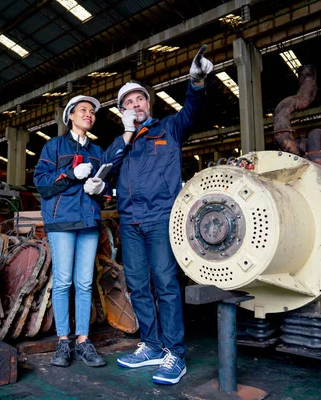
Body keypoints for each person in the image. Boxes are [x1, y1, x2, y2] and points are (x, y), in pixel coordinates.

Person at [105, 45, 213, 385]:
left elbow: (193, 112)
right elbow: (107, 172)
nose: (136, 105)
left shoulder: (169, 128)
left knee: (166, 284)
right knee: (137, 284)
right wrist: (125, 133)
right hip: (129, 221)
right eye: (129, 102)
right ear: (121, 110)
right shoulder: (121, 140)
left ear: (148, 104)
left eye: (140, 100)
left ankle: (175, 354)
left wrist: (196, 82)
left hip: (161, 218)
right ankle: (151, 345)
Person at [33, 95, 124, 368]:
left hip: (88, 222)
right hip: (61, 221)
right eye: (83, 110)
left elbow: (107, 186)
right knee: (63, 282)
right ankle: (63, 341)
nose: (89, 114)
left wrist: (102, 190)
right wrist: (71, 173)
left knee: (84, 283)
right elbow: (41, 183)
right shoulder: (54, 146)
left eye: (92, 112)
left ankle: (83, 341)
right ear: (70, 116)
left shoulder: (98, 152)